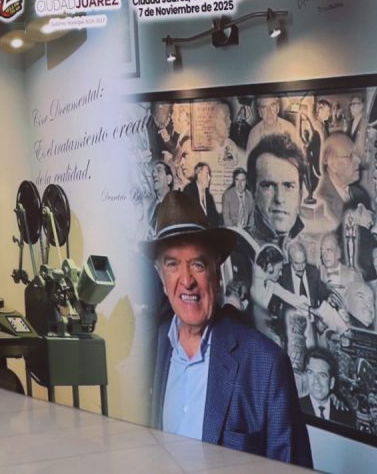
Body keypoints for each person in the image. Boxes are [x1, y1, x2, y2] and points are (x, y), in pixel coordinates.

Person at [145, 192, 313, 466]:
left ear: (217, 272)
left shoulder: (267, 366)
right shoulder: (157, 344)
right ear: (161, 276)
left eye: (198, 264)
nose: (186, 281)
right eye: (172, 264)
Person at [299, 347, 352, 425]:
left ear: (332, 383)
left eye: (322, 375)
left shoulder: (346, 416)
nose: (316, 381)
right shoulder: (295, 408)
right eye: (311, 373)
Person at [184, 162, 222, 227]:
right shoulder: (189, 190)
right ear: (199, 175)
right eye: (207, 174)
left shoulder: (209, 196)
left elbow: (215, 218)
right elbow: (187, 216)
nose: (209, 178)